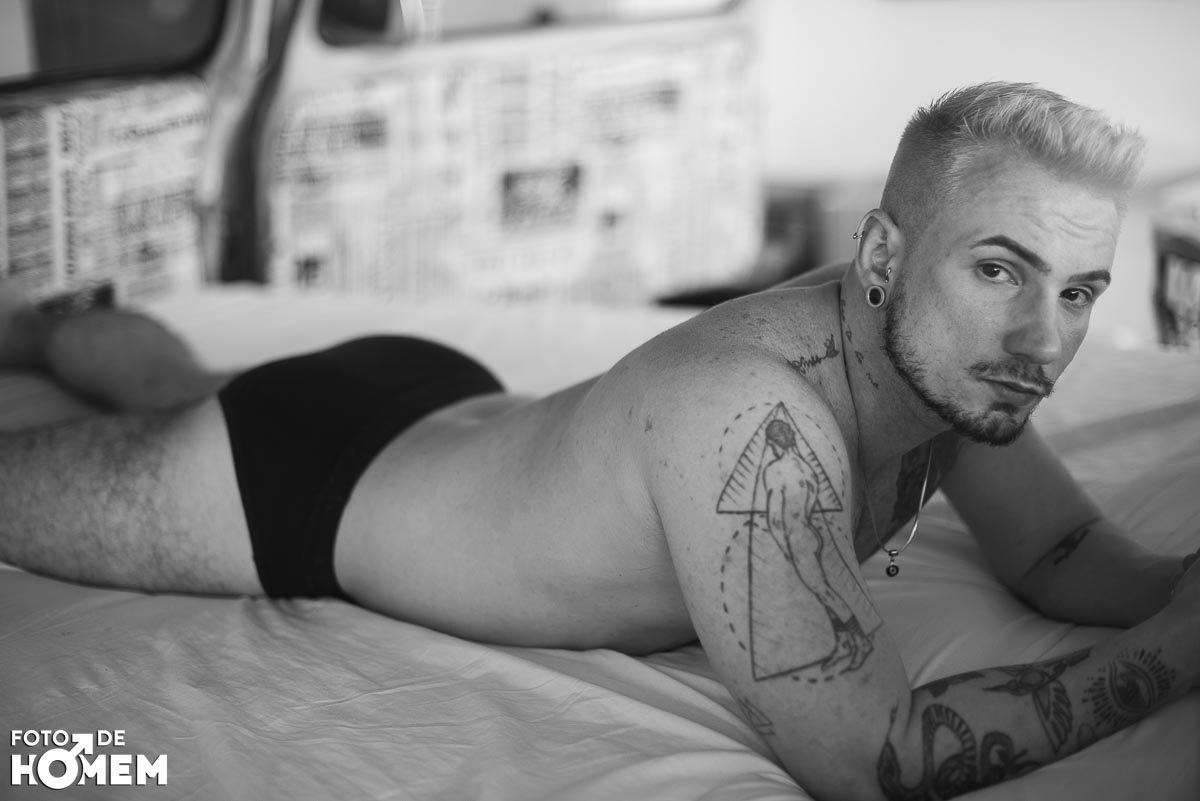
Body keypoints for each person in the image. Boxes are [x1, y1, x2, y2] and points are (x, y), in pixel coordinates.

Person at [1, 82, 1197, 801]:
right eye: (1000, 272)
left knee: (172, 384)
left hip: (434, 395)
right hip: (300, 484)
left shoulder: (958, 366)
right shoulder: (756, 415)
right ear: (883, 255)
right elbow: (871, 759)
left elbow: (1066, 555)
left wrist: (1172, 591)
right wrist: (1174, 653)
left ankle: (48, 328)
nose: (1044, 338)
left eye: (1079, 292)